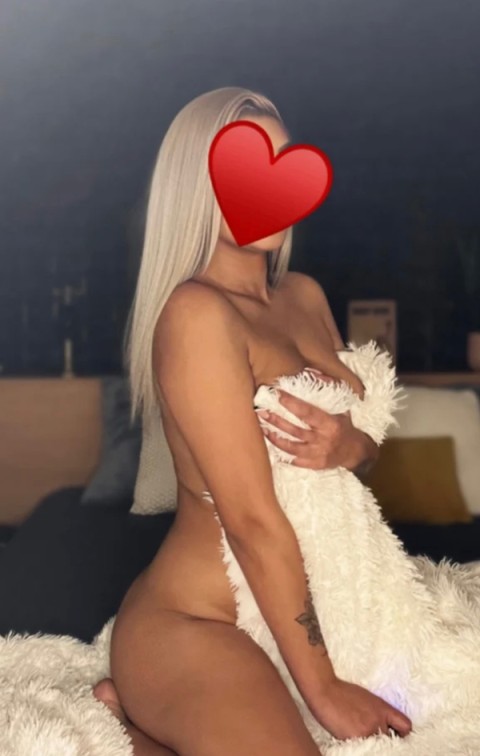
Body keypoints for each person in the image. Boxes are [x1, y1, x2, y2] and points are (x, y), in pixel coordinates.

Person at [93, 86, 412, 755]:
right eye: (242, 168)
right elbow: (251, 520)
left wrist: (351, 445)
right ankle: (149, 705)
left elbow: (356, 463)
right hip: (200, 622)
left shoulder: (304, 295)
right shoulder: (196, 316)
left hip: (318, 607)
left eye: (281, 165)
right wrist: (323, 690)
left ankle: (146, 728)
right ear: (196, 185)